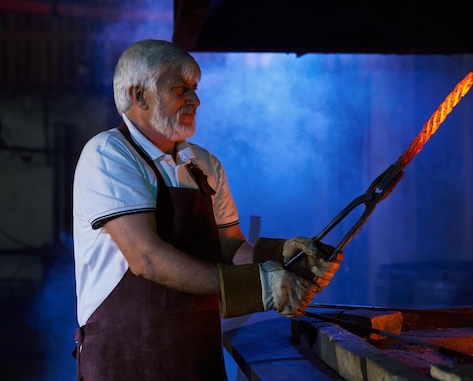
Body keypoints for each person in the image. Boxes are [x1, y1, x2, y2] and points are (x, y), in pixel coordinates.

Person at [72, 38, 343, 381]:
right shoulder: (108, 154)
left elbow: (230, 247)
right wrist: (260, 287)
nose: (195, 100)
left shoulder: (203, 164)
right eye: (180, 88)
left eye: (195, 89)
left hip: (196, 357)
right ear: (138, 95)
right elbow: (146, 258)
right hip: (125, 358)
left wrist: (282, 256)